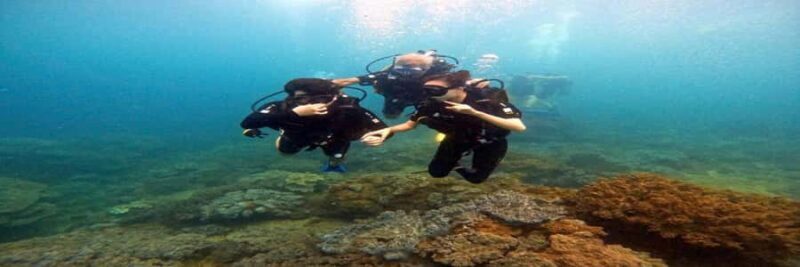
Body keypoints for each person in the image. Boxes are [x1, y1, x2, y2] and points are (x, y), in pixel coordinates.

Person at [360, 70, 526, 183]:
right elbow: (410, 124)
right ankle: (456, 163)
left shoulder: (487, 100)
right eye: (427, 90)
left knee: (476, 179)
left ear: (459, 88)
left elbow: (518, 127)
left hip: (491, 141)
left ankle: (467, 165)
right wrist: (388, 130)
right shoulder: (432, 104)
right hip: (457, 138)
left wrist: (475, 113)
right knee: (436, 173)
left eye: (436, 90)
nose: (430, 95)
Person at [241, 78, 387, 173]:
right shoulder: (282, 106)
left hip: (334, 138)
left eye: (320, 98)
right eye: (302, 99)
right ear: (292, 98)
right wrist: (294, 114)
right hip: (296, 135)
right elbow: (248, 122)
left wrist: (379, 137)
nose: (310, 103)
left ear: (334, 98)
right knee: (285, 153)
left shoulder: (347, 107)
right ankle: (281, 132)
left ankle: (333, 166)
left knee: (336, 156)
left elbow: (383, 129)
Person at [332, 50, 457, 118]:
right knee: (390, 115)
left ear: (425, 71)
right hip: (397, 94)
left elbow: (464, 87)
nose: (405, 75)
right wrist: (323, 85)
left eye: (412, 72)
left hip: (425, 96)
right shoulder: (386, 75)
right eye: (401, 70)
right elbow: (349, 80)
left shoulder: (436, 78)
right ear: (395, 68)